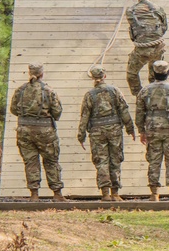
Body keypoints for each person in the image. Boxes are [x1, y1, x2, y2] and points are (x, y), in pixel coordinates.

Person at [135, 60, 169, 201]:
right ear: (167, 73)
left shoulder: (145, 91)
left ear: (153, 74)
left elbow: (139, 113)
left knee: (154, 161)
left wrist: (141, 131)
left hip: (152, 131)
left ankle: (154, 194)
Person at [77, 67, 135, 200]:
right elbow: (124, 110)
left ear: (92, 78)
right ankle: (115, 193)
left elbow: (84, 116)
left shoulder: (89, 95)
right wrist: (130, 128)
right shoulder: (115, 91)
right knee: (115, 159)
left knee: (101, 161)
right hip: (114, 129)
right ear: (105, 76)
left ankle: (105, 193)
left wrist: (81, 135)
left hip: (97, 131)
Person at [10, 63, 64, 201]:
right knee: (51, 161)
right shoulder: (48, 91)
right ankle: (57, 194)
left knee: (30, 162)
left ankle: (34, 194)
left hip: (24, 130)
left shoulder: (20, 90)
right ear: (42, 74)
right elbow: (57, 112)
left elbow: (13, 109)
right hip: (45, 131)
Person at [125, 0, 168, 95]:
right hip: (157, 47)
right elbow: (164, 27)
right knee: (155, 74)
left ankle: (139, 95)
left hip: (141, 49)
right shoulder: (159, 9)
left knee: (131, 73)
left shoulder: (131, 11)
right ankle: (154, 95)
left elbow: (133, 28)